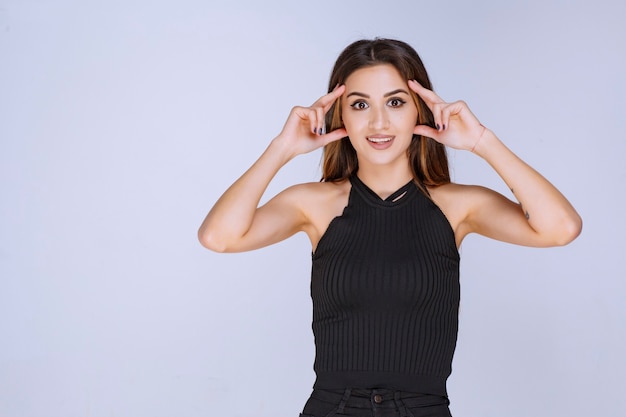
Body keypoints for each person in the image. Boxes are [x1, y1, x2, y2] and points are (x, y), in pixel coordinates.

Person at [197, 38, 582, 417]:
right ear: (340, 115)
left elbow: (560, 227)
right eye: (360, 104)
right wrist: (281, 149)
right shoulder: (315, 204)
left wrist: (483, 141)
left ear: (419, 109)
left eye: (395, 102)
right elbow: (219, 236)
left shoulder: (456, 206)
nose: (378, 122)